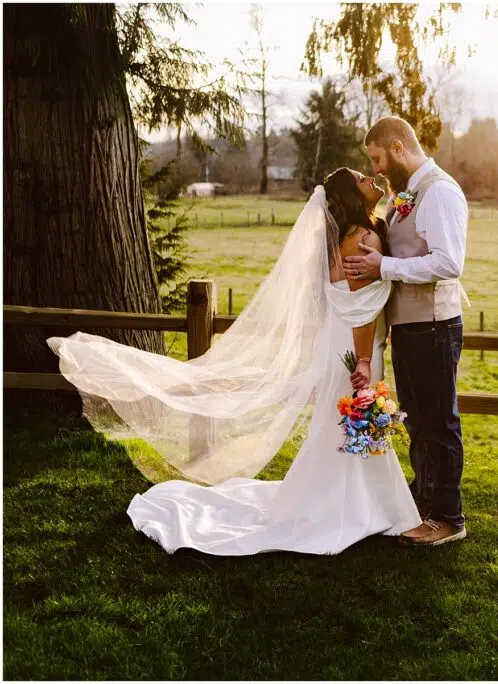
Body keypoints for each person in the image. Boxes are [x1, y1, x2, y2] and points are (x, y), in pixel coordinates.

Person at [47, 167, 423, 555]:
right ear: (351, 195)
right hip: (354, 349)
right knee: (352, 418)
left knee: (339, 423)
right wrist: (364, 360)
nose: (371, 179)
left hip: (338, 345)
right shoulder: (363, 238)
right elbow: (360, 308)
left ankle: (353, 501)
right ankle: (358, 508)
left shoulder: (341, 238)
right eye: (362, 178)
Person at [343, 116, 469, 547]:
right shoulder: (407, 194)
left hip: (434, 325)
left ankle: (448, 518)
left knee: (438, 422)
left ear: (398, 148)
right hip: (412, 327)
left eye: (377, 158)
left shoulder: (439, 192)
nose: (376, 169)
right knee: (418, 421)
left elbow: (448, 263)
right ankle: (424, 502)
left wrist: (384, 266)